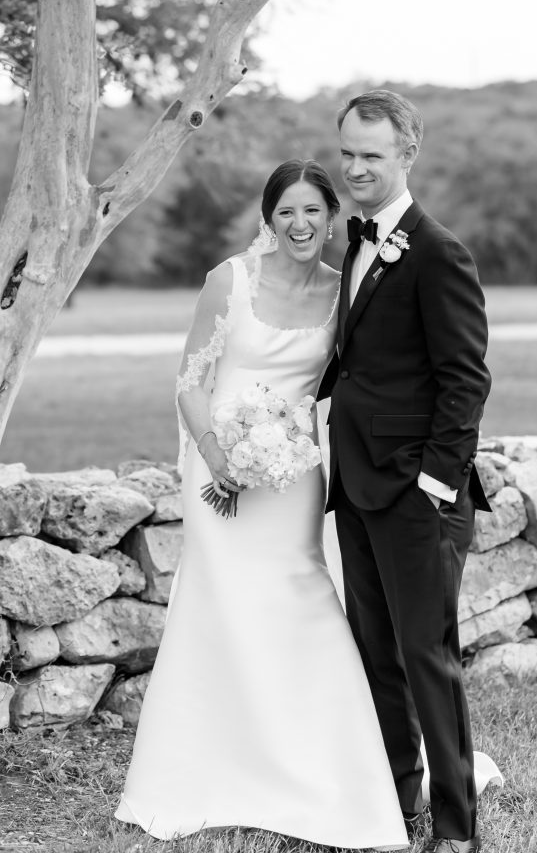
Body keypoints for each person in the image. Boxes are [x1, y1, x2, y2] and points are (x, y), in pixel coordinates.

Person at [115, 159, 409, 848]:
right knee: (221, 604)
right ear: (268, 219)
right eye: (286, 212)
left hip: (294, 475)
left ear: (332, 218)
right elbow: (190, 382)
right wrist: (219, 456)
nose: (300, 224)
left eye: (313, 211)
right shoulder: (230, 280)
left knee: (303, 599)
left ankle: (327, 770)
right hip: (216, 469)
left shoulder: (344, 291)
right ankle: (207, 769)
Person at [327, 91, 493, 853]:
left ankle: (456, 830)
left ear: (406, 155)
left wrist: (434, 484)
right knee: (378, 656)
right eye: (347, 154)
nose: (356, 168)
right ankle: (399, 806)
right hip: (356, 486)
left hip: (417, 494)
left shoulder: (436, 252)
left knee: (428, 659)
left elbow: (465, 381)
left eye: (371, 155)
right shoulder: (356, 242)